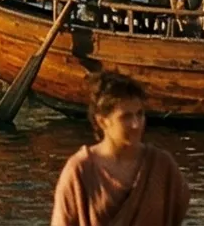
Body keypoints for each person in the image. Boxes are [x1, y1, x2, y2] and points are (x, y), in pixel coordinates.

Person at [53, 71, 191, 226]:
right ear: (102, 121)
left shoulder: (162, 166)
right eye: (126, 117)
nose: (136, 124)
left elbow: (178, 210)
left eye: (140, 114)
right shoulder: (80, 170)